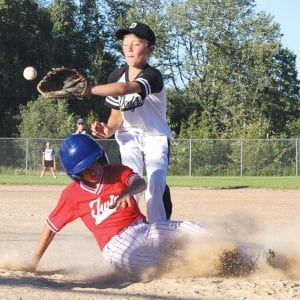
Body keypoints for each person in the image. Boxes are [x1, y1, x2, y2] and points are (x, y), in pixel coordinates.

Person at [31, 134, 215, 275]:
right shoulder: (71, 195)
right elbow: (51, 226)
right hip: (116, 246)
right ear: (75, 174)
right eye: (84, 170)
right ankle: (205, 263)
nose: (92, 171)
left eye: (93, 164)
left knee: (191, 228)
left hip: (144, 229)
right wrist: (34, 261)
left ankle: (237, 253)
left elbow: (140, 183)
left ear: (99, 158)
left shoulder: (116, 171)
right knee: (158, 261)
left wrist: (127, 192)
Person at [90, 22, 172, 223]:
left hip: (155, 137)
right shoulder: (115, 75)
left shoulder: (153, 76)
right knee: (130, 185)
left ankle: (159, 233)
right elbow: (117, 116)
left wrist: (88, 90)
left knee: (155, 184)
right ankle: (131, 228)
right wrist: (107, 129)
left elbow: (126, 88)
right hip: (128, 136)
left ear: (150, 49)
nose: (128, 48)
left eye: (136, 43)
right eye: (125, 43)